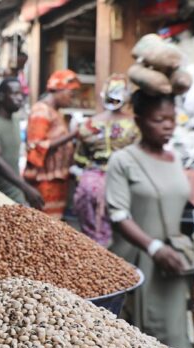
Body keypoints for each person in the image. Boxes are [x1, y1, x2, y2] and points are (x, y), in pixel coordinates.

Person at [105, 90, 193, 348]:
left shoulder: (176, 158)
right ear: (139, 120)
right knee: (137, 344)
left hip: (172, 263)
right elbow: (118, 215)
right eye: (158, 119)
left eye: (172, 118)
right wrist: (154, 248)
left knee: (175, 338)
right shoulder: (123, 161)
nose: (167, 125)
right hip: (137, 261)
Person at [73, 75, 139, 246]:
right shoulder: (134, 125)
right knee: (121, 235)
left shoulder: (89, 124)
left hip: (90, 183)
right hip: (121, 183)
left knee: (91, 235)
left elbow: (79, 159)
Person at [23, 70, 81, 218]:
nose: (72, 100)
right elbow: (36, 147)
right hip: (45, 182)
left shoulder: (55, 112)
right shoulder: (41, 110)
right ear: (59, 90)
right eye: (70, 94)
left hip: (56, 181)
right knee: (45, 228)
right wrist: (72, 135)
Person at [0, 78, 43, 208]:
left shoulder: (16, 119)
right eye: (15, 94)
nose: (20, 98)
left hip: (14, 191)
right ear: (1, 96)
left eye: (21, 94)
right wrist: (25, 187)